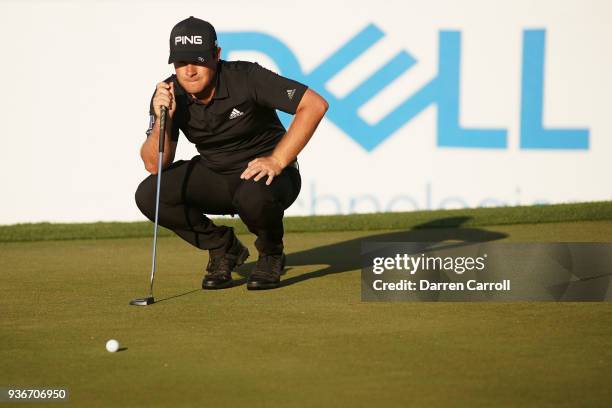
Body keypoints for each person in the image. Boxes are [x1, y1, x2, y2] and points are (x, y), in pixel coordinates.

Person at [135, 17, 328, 290]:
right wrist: (161, 118)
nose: (189, 71)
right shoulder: (168, 93)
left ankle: (271, 253)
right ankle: (224, 248)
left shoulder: (246, 77)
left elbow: (314, 105)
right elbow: (155, 164)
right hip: (217, 173)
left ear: (216, 55)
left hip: (269, 176)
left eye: (198, 60)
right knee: (150, 193)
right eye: (180, 63)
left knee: (253, 195)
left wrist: (278, 159)